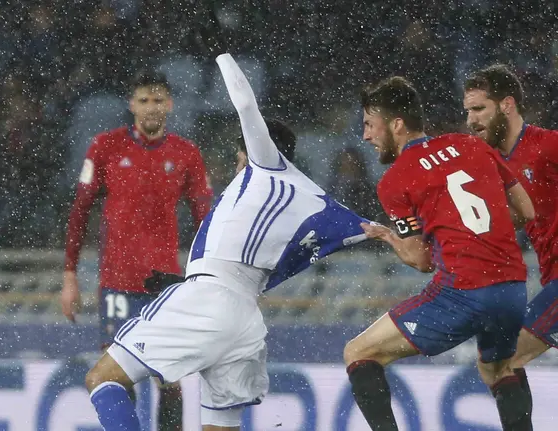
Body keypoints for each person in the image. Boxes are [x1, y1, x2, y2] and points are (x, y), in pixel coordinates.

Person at [84, 53, 372, 431]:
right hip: (245, 318)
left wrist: (220, 53)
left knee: (102, 379)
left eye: (240, 158)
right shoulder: (302, 199)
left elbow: (246, 104)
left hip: (207, 300)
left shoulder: (256, 176)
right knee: (220, 425)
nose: (237, 167)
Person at [344, 75, 535, 430]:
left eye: (371, 125)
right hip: (511, 288)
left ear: (396, 124)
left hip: (463, 291)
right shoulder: (472, 145)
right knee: (499, 368)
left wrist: (388, 237)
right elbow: (526, 212)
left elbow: (421, 260)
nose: (366, 135)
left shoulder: (395, 181)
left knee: (358, 352)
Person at [62, 70, 212, 429]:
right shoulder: (105, 147)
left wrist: (209, 277)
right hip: (116, 281)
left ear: (170, 104)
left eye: (158, 100)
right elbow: (80, 212)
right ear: (131, 105)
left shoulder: (186, 154)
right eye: (143, 100)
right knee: (115, 375)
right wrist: (69, 275)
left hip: (164, 285)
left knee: (170, 377)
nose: (151, 108)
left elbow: (208, 222)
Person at [464, 64, 558, 414]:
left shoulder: (547, 145)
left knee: (500, 360)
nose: (471, 120)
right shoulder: (492, 164)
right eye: (467, 112)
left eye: (478, 109)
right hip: (550, 276)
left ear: (506, 104)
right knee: (500, 360)